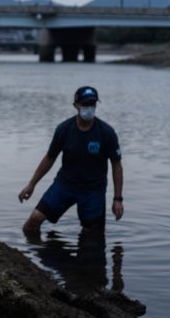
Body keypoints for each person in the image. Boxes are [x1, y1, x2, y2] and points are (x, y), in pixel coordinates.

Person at [18, 86, 124, 233]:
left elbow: (116, 165)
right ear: (76, 105)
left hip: (93, 191)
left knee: (92, 237)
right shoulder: (64, 129)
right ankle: (39, 252)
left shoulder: (106, 132)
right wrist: (31, 184)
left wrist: (117, 199)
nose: (89, 108)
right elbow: (49, 158)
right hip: (65, 185)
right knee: (33, 222)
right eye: (85, 104)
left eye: (92, 104)